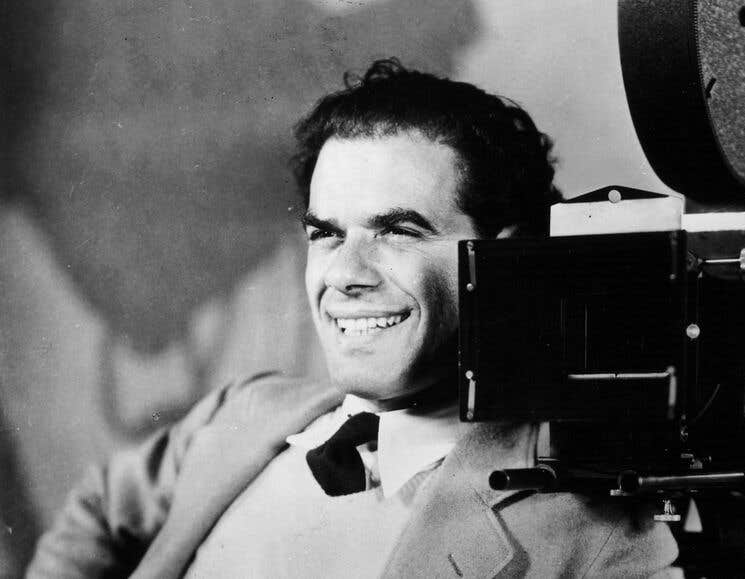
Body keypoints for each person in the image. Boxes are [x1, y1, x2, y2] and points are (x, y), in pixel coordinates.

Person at [27, 59, 679, 578]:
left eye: (397, 231)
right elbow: (97, 508)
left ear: (507, 260)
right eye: (327, 234)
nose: (345, 273)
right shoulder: (245, 410)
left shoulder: (600, 539)